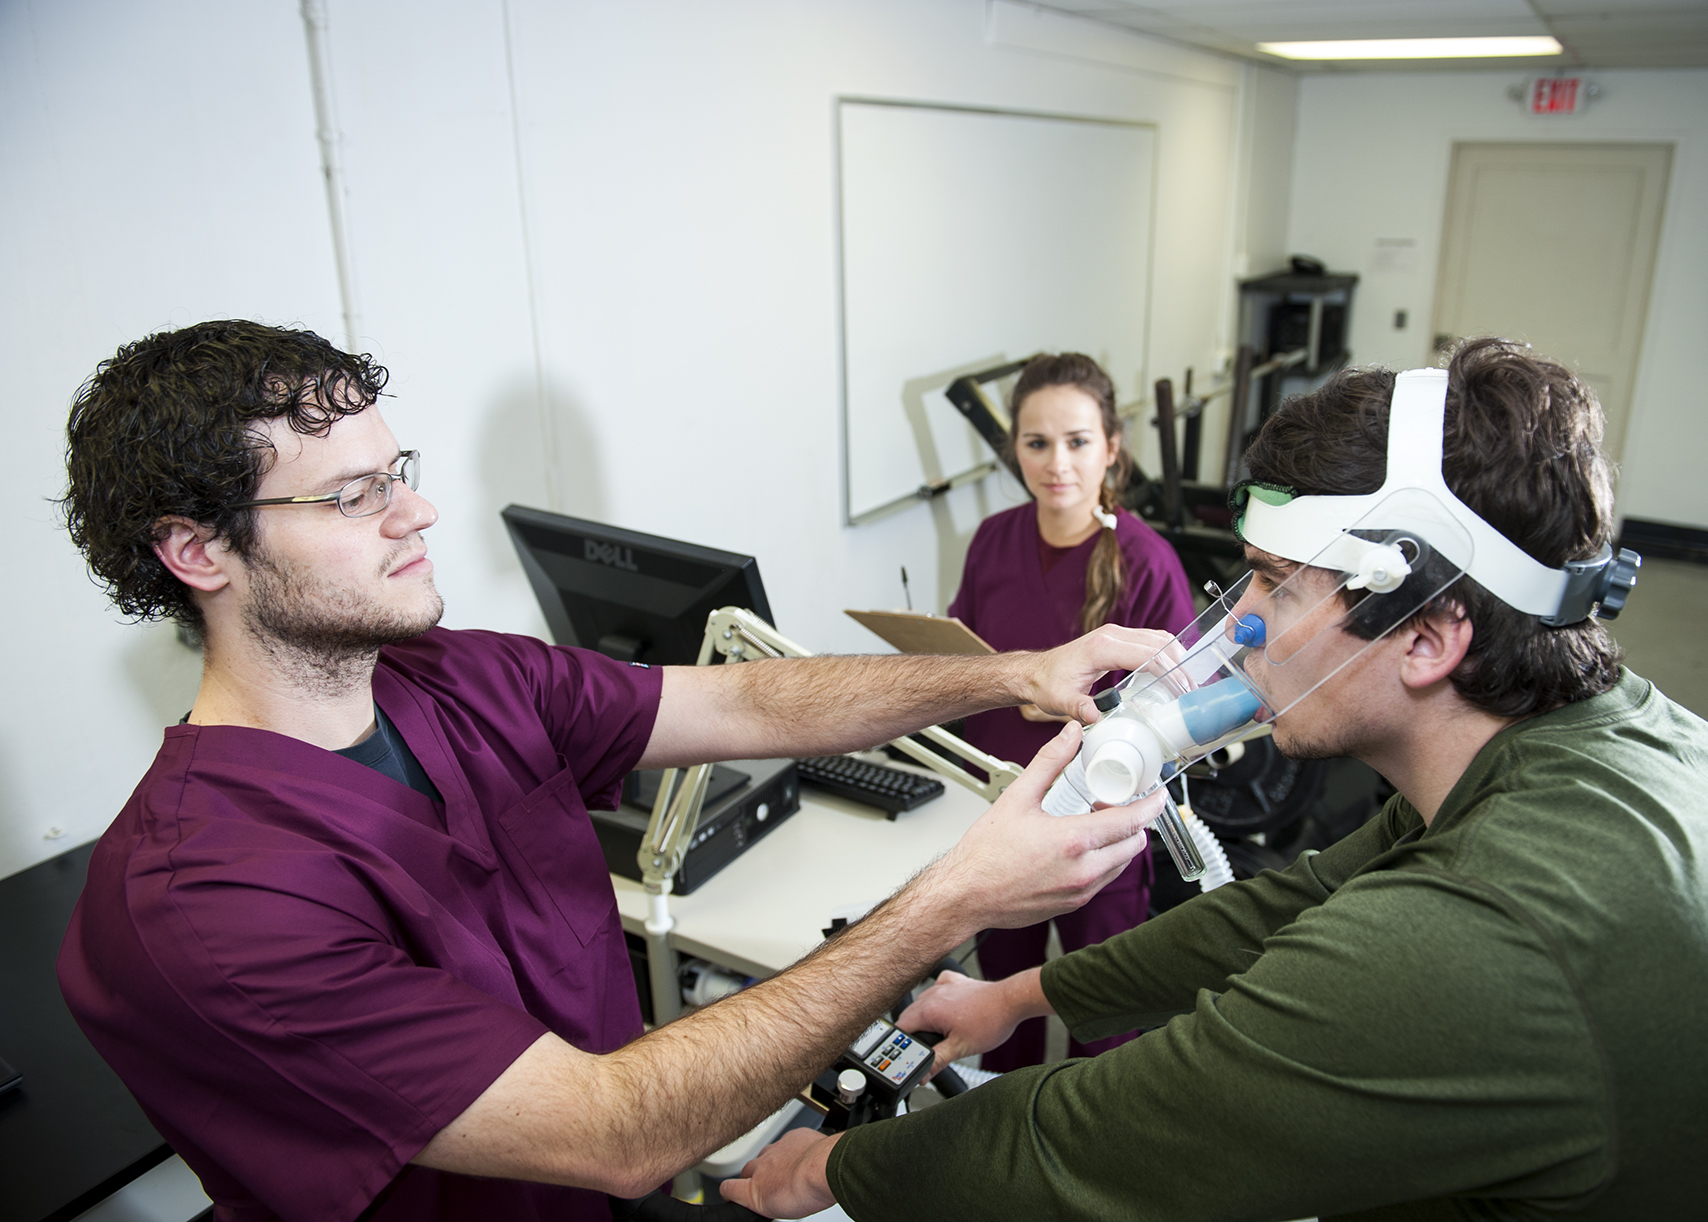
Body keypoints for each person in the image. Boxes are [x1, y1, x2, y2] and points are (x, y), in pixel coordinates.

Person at [53, 320, 1173, 1222]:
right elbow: (615, 1129)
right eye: (352, 496)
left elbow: (744, 694)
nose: (419, 510)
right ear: (198, 551)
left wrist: (1013, 674)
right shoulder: (202, 900)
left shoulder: (458, 677)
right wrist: (954, 899)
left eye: (396, 470)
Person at [721, 338, 1708, 1220]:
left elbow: (1092, 1140)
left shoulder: (1470, 936)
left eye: (1276, 589)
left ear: (1423, 637)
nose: (1236, 630)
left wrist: (827, 1172)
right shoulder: (1608, 741)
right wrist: (1020, 993)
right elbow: (1287, 901)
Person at [946, 352, 1193, 1071]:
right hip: (1000, 815)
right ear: (1015, 449)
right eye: (1037, 443)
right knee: (993, 1017)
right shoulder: (993, 540)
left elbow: (1181, 707)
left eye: (1078, 442)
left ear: (1111, 448)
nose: (1057, 463)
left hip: (1100, 825)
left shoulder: (1145, 563)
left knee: (1103, 1021)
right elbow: (972, 659)